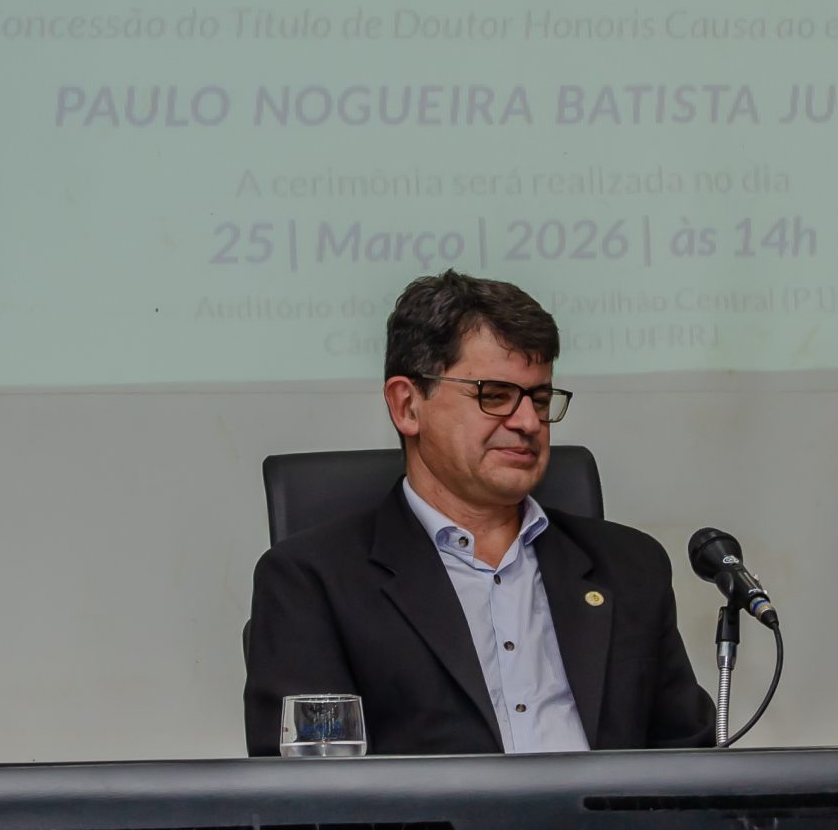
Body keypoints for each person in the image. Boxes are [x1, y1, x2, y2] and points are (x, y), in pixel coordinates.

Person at [242, 271, 713, 755]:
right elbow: (312, 786)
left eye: (540, 399)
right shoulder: (312, 583)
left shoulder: (629, 567)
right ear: (407, 406)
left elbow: (690, 766)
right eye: (495, 395)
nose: (528, 422)